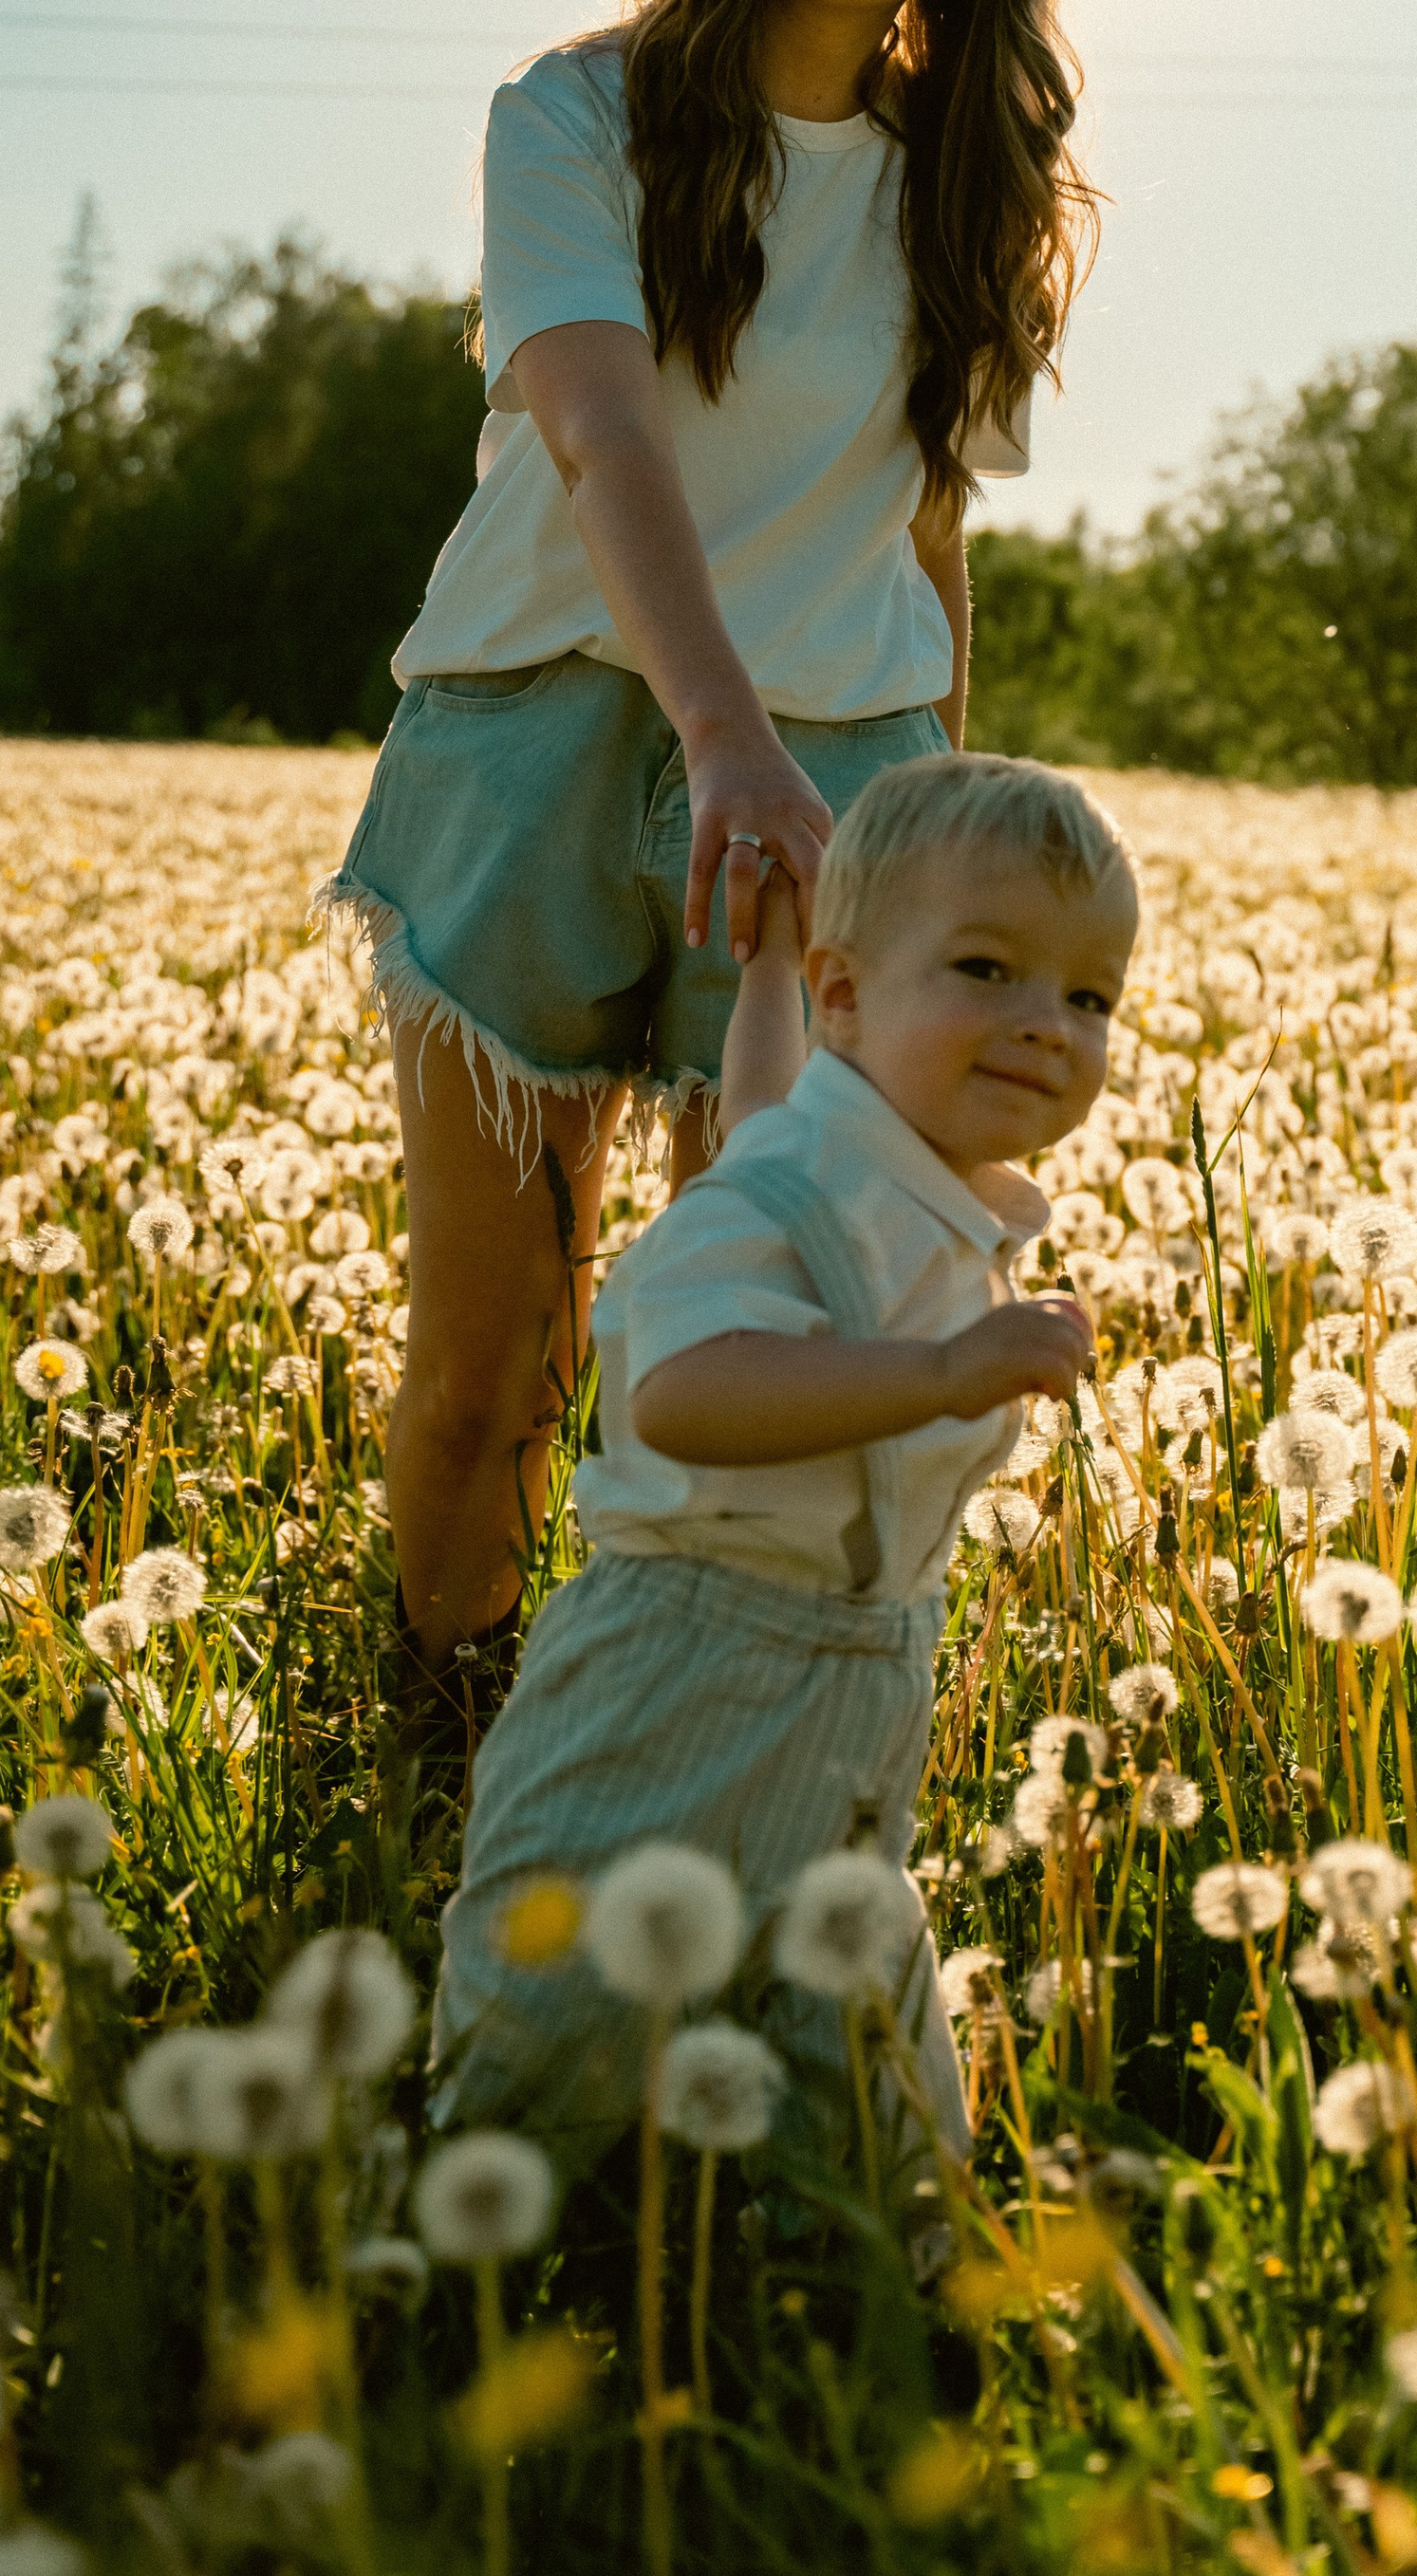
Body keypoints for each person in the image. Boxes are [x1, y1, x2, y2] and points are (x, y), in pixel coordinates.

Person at [321, 0, 1095, 1684]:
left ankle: (707, 1747)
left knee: (785, 1328)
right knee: (493, 1355)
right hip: (545, 741)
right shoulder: (572, 111)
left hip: (837, 774)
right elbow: (601, 431)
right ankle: (453, 1758)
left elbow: (927, 535)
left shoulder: (973, 189)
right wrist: (721, 733)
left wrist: (944, 836)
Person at [428, 751, 1142, 2162]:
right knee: (551, 2024)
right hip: (681, 1671)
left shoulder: (888, 1172)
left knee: (871, 2087)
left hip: (863, 1685)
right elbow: (685, 1393)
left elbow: (762, 1109)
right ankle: (475, 2233)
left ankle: (890, 2247)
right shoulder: (779, 1198)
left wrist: (761, 976)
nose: (1045, 1025)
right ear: (849, 997)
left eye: (1090, 998)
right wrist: (939, 1374)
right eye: (988, 970)